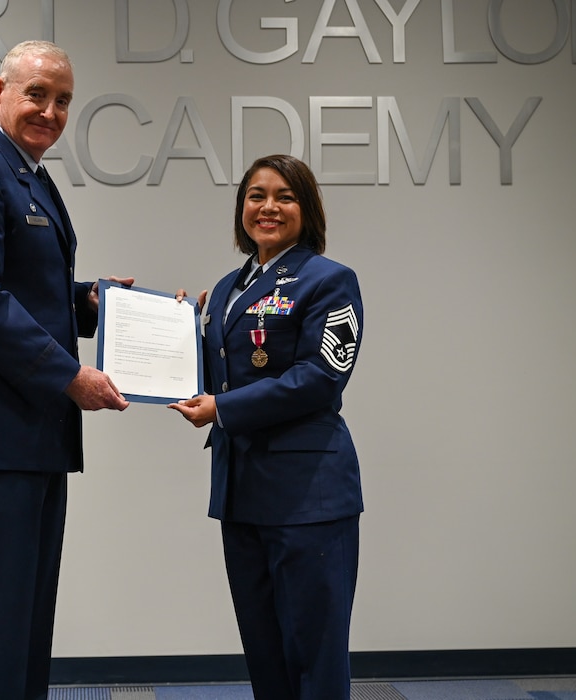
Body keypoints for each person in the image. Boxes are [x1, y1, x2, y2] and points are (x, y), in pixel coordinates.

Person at [0, 40, 132, 700]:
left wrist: (90, 302)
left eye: (63, 99)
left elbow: (27, 291)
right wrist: (70, 375)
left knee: (26, 619)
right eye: (37, 93)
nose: (50, 110)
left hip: (33, 433)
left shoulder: (32, 180)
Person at [169, 154, 364, 700]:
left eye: (284, 196)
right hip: (241, 492)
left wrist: (223, 411)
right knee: (265, 651)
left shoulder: (329, 280)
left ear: (307, 208)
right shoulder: (227, 289)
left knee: (312, 654)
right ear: (242, 209)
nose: (268, 207)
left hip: (308, 497)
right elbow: (218, 377)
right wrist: (178, 326)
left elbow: (320, 378)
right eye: (256, 196)